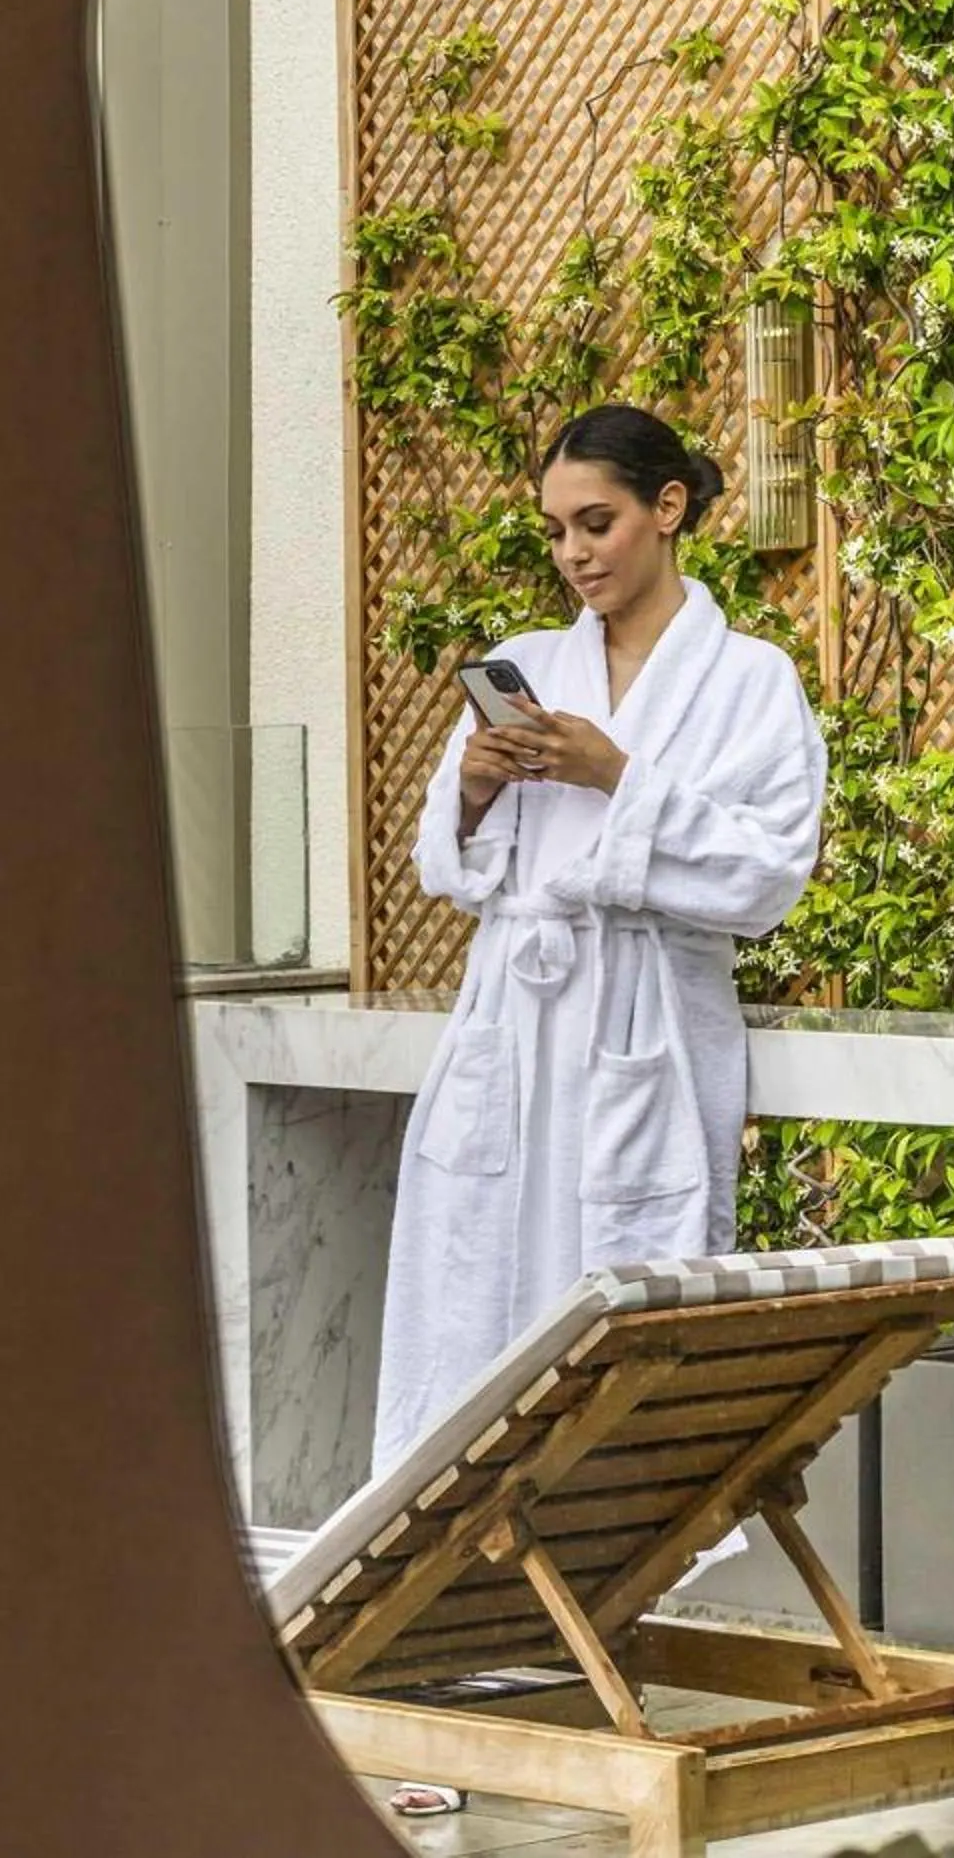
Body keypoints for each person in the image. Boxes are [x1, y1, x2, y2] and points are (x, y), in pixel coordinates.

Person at [366, 406, 828, 1811]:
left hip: (638, 1020)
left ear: (672, 506)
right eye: (558, 527)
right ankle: (426, 1638)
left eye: (599, 522)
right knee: (470, 1313)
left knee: (612, 1319)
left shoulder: (751, 681)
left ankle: (590, 1621)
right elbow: (448, 865)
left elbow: (769, 874)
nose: (573, 551)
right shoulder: (536, 668)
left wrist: (616, 779)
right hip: (516, 1016)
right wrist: (483, 780)